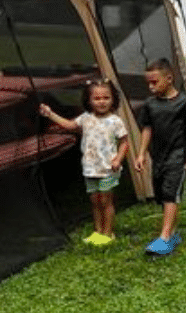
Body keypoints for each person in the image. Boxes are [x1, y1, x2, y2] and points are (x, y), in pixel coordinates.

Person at [40, 79, 129, 246]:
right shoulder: (85, 118)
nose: (102, 102)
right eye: (97, 98)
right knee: (95, 200)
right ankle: (98, 232)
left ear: (113, 99)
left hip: (108, 169)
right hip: (90, 169)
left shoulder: (115, 121)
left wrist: (118, 158)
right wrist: (50, 114)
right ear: (89, 100)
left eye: (106, 98)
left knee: (106, 200)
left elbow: (125, 142)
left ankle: (109, 233)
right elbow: (69, 125)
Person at [133, 58, 186, 256]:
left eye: (154, 82)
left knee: (170, 193)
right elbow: (146, 128)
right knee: (161, 193)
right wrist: (141, 154)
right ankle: (172, 233)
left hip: (179, 156)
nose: (150, 87)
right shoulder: (150, 104)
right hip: (159, 156)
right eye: (148, 83)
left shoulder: (183, 102)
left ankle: (164, 237)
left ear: (169, 78)